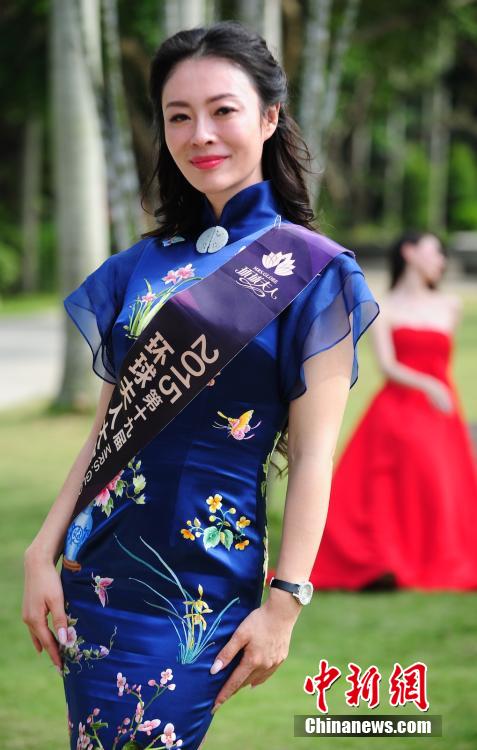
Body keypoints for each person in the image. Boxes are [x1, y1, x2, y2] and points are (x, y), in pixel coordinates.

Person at [22, 21, 379, 750]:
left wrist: (285, 603)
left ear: (269, 118)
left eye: (222, 110)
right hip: (94, 575)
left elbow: (314, 457)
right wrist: (41, 549)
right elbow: (107, 432)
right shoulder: (140, 268)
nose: (199, 134)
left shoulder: (311, 271)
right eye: (177, 116)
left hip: (197, 586)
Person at [303, 231, 477, 591]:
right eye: (435, 252)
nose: (441, 261)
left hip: (441, 412)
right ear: (410, 253)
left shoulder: (450, 305)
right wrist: (428, 385)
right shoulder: (384, 305)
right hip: (400, 406)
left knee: (439, 488)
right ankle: (388, 559)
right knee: (393, 485)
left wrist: (437, 389)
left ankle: (430, 557)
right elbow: (389, 365)